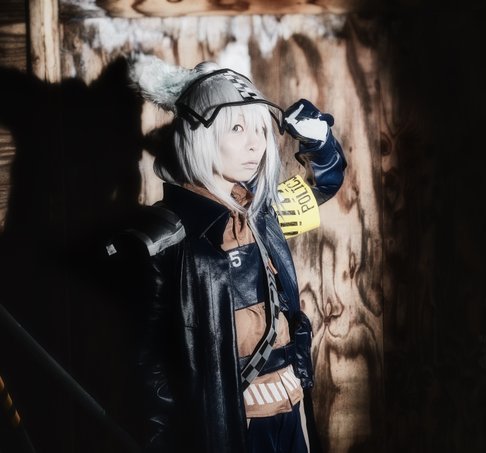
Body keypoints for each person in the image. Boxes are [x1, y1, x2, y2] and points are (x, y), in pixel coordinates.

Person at [113, 54, 346, 453]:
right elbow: (149, 369)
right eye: (237, 128)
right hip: (228, 429)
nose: (256, 143)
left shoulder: (263, 216)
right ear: (199, 136)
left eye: (260, 128)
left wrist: (321, 143)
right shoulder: (166, 237)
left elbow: (320, 187)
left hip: (290, 413)